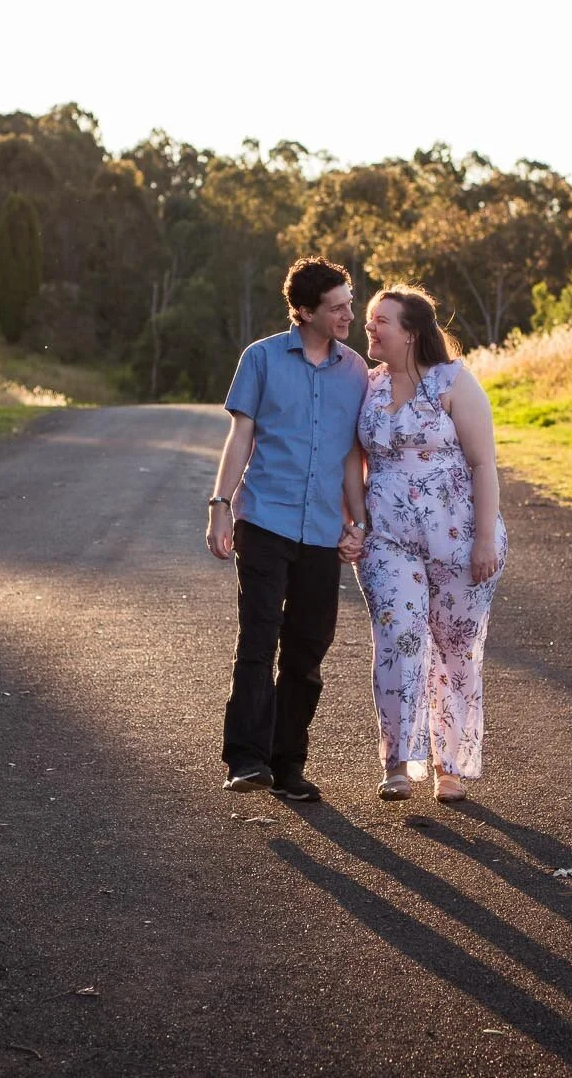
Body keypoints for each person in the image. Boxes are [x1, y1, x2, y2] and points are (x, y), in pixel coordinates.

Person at [206, 257, 369, 802]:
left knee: (307, 650)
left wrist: (358, 521)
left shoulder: (355, 371)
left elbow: (351, 456)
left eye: (349, 303)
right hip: (265, 519)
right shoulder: (261, 357)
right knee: (258, 639)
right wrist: (220, 504)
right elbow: (240, 437)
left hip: (322, 532)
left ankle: (288, 763)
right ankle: (246, 759)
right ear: (304, 311)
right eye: (337, 307)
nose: (349, 315)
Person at [341, 286, 505, 803]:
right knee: (398, 638)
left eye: (380, 320)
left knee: (454, 649)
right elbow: (351, 460)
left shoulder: (453, 381)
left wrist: (484, 540)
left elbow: (483, 464)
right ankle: (396, 762)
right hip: (387, 541)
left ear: (411, 332)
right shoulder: (367, 385)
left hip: (460, 542)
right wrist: (357, 522)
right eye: (370, 319)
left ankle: (448, 766)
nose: (369, 327)